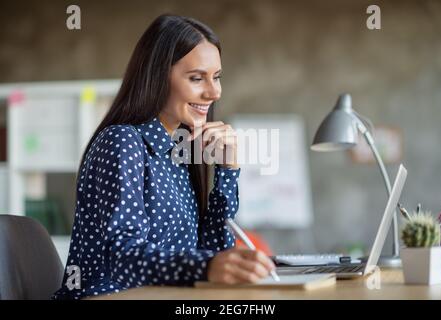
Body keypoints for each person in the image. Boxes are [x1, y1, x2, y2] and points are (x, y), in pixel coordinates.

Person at [53, 14, 275, 299]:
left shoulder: (180, 151)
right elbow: (122, 257)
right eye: (197, 78)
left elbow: (214, 252)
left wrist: (227, 171)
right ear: (157, 76)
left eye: (217, 77)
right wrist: (206, 267)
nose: (214, 92)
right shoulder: (122, 141)